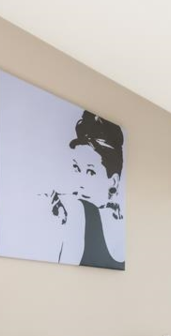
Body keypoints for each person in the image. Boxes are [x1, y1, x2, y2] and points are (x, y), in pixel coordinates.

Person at [42, 111, 125, 270]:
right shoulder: (71, 208)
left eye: (90, 172)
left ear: (112, 182)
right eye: (75, 168)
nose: (79, 181)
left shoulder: (79, 209)